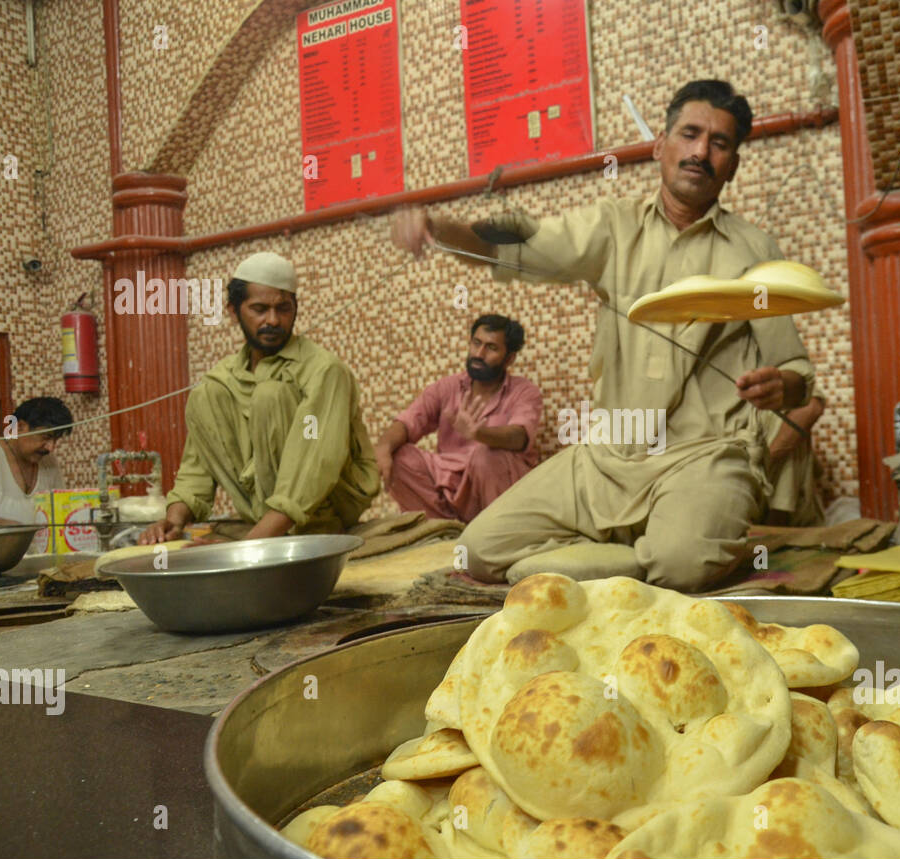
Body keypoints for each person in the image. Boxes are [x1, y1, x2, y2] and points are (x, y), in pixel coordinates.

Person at [392, 79, 815, 591]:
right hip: (609, 456)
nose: (701, 151)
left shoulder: (753, 249)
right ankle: (635, 561)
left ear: (733, 164)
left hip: (707, 455)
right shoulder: (612, 228)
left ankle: (644, 557)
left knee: (683, 564)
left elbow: (796, 375)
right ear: (661, 146)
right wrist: (441, 228)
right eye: (690, 133)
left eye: (720, 143)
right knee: (477, 551)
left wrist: (781, 387)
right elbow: (520, 245)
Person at [140, 252, 378, 545]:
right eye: (260, 309)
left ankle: (272, 535)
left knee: (271, 394)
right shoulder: (222, 380)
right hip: (260, 516)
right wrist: (173, 520)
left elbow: (317, 464)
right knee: (207, 394)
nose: (273, 320)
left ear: (296, 308)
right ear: (233, 310)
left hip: (326, 511)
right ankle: (268, 532)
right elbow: (197, 469)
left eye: (284, 308)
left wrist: (245, 550)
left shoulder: (324, 370)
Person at [374, 314, 541, 522]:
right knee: (400, 457)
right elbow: (408, 422)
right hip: (451, 487)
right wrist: (383, 447)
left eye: (491, 348)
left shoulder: (525, 391)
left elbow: (519, 437)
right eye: (476, 343)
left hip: (499, 494)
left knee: (487, 456)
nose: (479, 354)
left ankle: (494, 534)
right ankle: (440, 531)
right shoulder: (447, 388)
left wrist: (481, 434)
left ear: (509, 358)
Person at [0, 397, 72, 527]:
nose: (51, 447)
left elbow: (62, 507)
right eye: (46, 437)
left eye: (56, 440)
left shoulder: (48, 461)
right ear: (20, 427)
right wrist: (10, 529)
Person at [763, 390, 827, 526]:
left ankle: (777, 521)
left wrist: (763, 462)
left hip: (785, 511)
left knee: (782, 416)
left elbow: (811, 407)